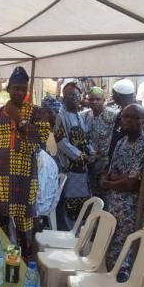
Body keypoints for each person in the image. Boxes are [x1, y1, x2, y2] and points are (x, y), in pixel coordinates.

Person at [0, 66, 49, 258]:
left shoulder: (37, 113)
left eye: (23, 89)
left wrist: (21, 120)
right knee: (0, 220)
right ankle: (0, 258)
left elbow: (39, 140)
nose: (20, 92)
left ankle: (26, 260)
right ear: (8, 89)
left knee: (25, 222)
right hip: (0, 177)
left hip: (25, 178)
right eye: (16, 88)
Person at [102, 104, 144, 280]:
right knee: (109, 247)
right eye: (125, 117)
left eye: (134, 118)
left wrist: (111, 182)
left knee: (123, 253)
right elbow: (111, 174)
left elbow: (131, 184)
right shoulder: (121, 142)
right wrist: (117, 179)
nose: (128, 121)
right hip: (115, 204)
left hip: (133, 209)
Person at [53, 82, 95, 229]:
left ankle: (79, 234)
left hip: (83, 170)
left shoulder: (81, 115)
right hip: (70, 169)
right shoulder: (60, 117)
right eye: (70, 96)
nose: (74, 98)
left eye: (77, 95)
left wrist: (91, 152)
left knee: (82, 203)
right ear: (64, 98)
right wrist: (79, 156)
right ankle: (68, 232)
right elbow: (62, 142)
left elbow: (86, 137)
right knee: (70, 203)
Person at [87, 87, 119, 201]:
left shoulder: (114, 115)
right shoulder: (84, 116)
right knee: (91, 190)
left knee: (105, 190)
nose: (94, 102)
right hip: (89, 161)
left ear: (104, 99)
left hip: (106, 161)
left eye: (97, 99)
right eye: (91, 99)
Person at [107, 79, 137, 161]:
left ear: (119, 96)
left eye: (113, 94)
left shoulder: (136, 113)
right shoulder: (124, 109)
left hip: (126, 159)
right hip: (115, 156)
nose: (112, 97)